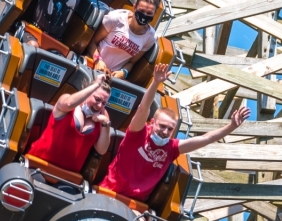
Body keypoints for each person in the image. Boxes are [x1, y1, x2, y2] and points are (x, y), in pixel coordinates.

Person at [101, 65, 251, 201]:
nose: (165, 132)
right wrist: (156, 82)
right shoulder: (138, 133)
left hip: (135, 204)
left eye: (170, 129)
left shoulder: (171, 148)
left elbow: (206, 139)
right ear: (152, 123)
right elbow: (143, 108)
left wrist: (231, 127)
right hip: (109, 192)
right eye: (162, 126)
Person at [26, 75, 112, 173]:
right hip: (38, 165)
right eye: (97, 99)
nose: (100, 105)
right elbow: (68, 104)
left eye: (104, 103)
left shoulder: (104, 115)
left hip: (68, 177)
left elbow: (102, 150)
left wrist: (105, 123)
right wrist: (96, 85)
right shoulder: (66, 99)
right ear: (88, 92)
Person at [88, 0, 168, 78]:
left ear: (155, 14)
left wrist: (123, 72)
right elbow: (92, 42)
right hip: (92, 63)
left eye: (149, 13)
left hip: (111, 77)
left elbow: (131, 62)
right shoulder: (116, 18)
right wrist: (98, 60)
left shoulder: (150, 37)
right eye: (142, 11)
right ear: (134, 7)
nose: (144, 16)